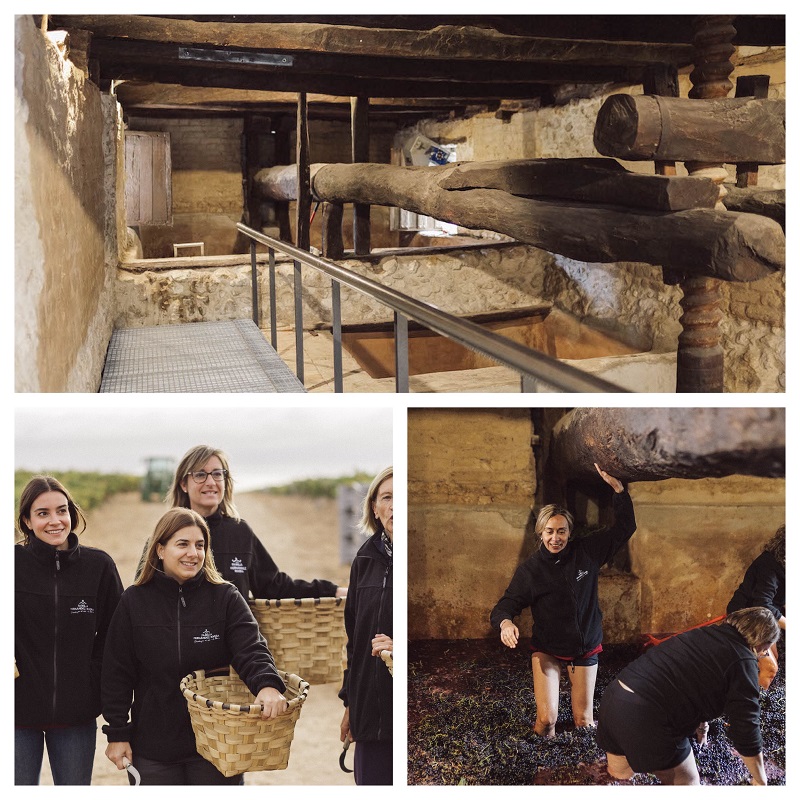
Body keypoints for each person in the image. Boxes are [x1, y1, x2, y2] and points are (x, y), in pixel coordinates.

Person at [102, 507, 289, 785]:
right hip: (154, 750)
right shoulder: (134, 602)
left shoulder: (226, 596)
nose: (193, 553)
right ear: (160, 550)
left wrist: (267, 685)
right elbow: (117, 672)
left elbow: (251, 648)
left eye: (200, 545)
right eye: (183, 544)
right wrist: (117, 733)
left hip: (217, 745)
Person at [490, 463, 635, 738]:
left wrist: (619, 491)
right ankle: (539, 763)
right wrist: (506, 623)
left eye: (561, 531)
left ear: (570, 532)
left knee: (583, 723)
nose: (555, 538)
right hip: (549, 648)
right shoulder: (530, 570)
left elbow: (626, 527)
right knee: (547, 720)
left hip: (584, 647)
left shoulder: (588, 552)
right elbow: (505, 605)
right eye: (549, 532)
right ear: (540, 533)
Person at [15, 476, 124, 785]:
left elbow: (115, 640)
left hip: (76, 717)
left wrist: (91, 682)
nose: (55, 521)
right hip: (15, 716)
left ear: (72, 514)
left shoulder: (99, 566)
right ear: (27, 519)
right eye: (43, 513)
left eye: (62, 511)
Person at [597, 607, 780, 786]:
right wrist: (760, 780)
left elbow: (692, 682)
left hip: (614, 700)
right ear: (761, 644)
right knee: (689, 783)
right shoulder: (743, 661)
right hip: (645, 717)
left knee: (620, 778)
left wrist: (701, 728)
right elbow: (746, 729)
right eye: (765, 652)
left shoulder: (705, 634)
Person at [160, 445, 346, 600]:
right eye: (200, 475)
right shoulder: (167, 532)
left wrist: (330, 590)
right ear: (184, 484)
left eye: (217, 474)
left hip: (231, 642)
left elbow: (273, 586)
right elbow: (146, 594)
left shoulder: (240, 532)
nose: (211, 482)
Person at [339, 467, 393, 785]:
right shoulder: (364, 558)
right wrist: (351, 705)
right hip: (369, 718)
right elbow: (354, 642)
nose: (396, 506)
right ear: (374, 507)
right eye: (387, 497)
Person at [727, 524, 785, 689]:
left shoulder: (783, 564)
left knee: (773, 658)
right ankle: (752, 709)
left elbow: (779, 598)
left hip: (762, 620)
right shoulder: (770, 564)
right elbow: (763, 604)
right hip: (747, 619)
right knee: (769, 668)